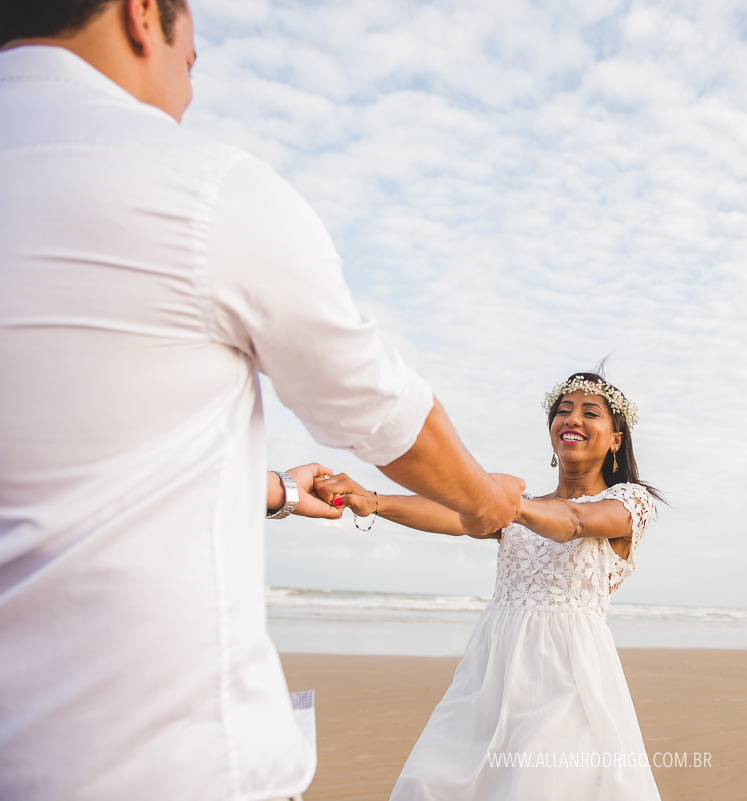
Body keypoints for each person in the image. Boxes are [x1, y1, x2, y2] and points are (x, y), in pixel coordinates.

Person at [0, 2, 524, 800]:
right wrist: (485, 504)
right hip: (163, 767)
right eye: (194, 62)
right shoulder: (201, 188)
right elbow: (379, 409)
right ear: (146, 17)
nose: (188, 90)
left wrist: (278, 492)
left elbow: (59, 473)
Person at [315, 371, 664, 800]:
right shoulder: (522, 507)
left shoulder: (630, 502)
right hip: (489, 669)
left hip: (568, 672)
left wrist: (504, 502)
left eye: (590, 412)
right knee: (428, 781)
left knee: (537, 787)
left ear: (615, 439)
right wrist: (374, 501)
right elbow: (454, 518)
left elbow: (573, 522)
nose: (572, 419)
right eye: (562, 411)